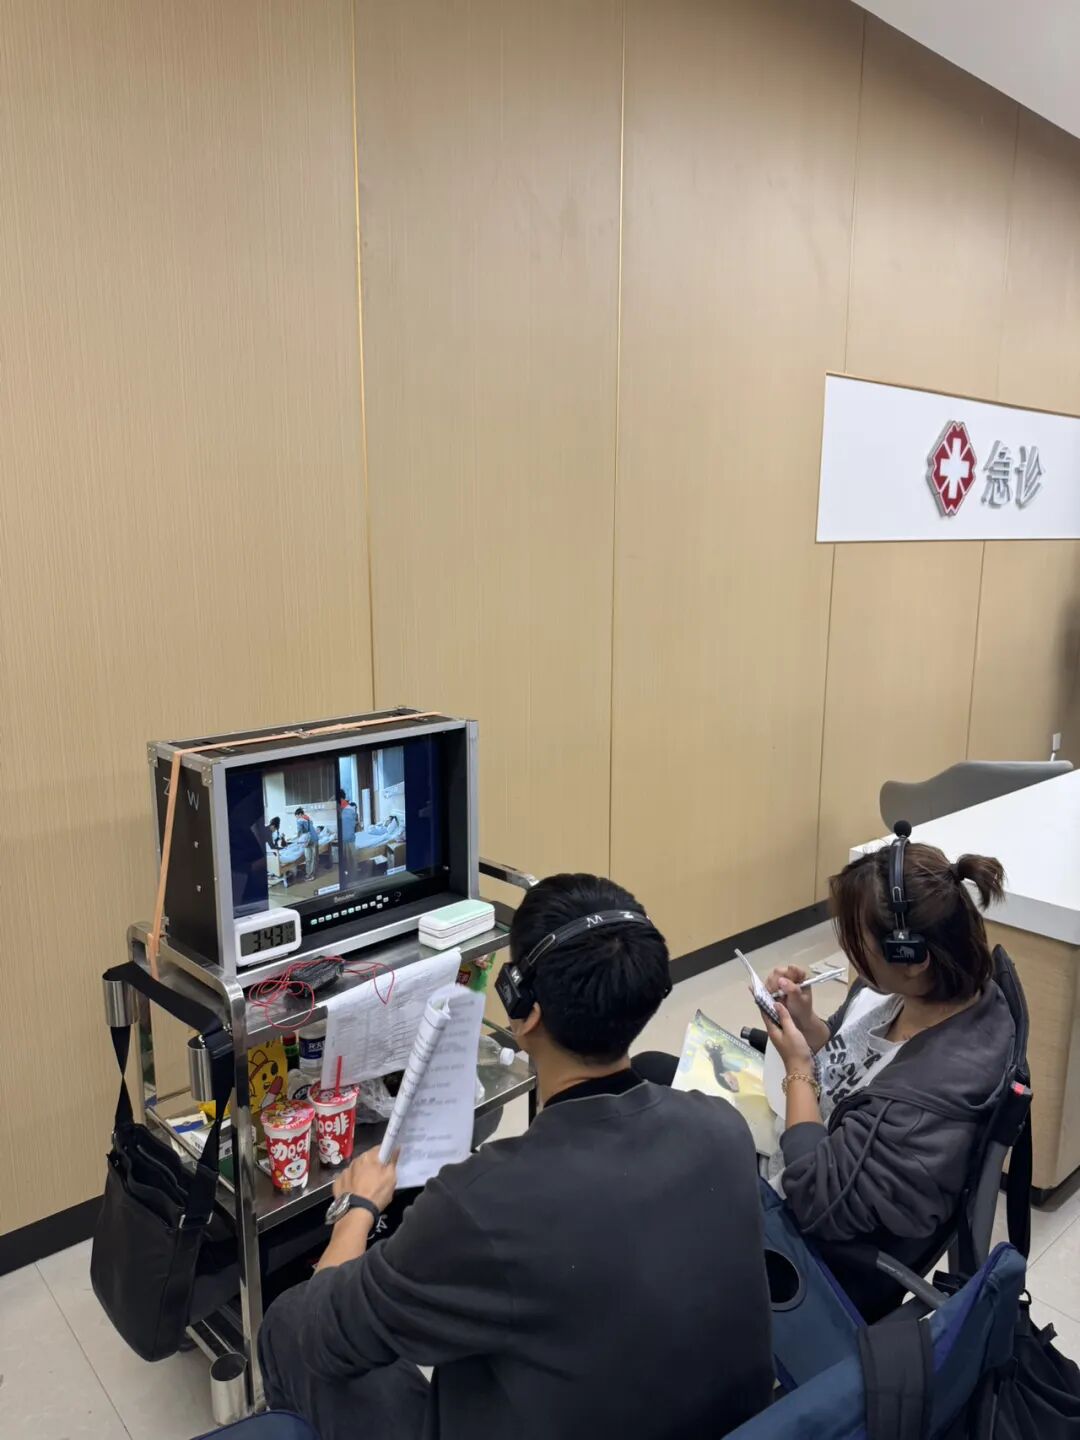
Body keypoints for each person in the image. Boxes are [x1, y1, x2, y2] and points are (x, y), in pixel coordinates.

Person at [258, 873, 774, 1440]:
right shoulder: (723, 1129)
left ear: (522, 1007)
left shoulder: (480, 1203)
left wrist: (356, 1209)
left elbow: (324, 1332)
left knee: (288, 1322)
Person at [760, 834, 1015, 1318]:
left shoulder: (922, 1106)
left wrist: (798, 1069)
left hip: (809, 1248)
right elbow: (852, 1060)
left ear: (911, 958)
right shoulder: (924, 991)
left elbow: (814, 1197)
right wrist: (809, 1025)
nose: (850, 955)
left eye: (859, 946)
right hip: (808, 1139)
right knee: (660, 1077)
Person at [293, 806, 319, 879]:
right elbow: (311, 828)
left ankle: (309, 874)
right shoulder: (308, 819)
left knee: (308, 858)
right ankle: (312, 874)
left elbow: (299, 831)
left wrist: (297, 839)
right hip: (314, 839)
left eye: (296, 816)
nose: (296, 818)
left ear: (300, 814)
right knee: (313, 858)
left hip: (307, 840)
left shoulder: (300, 820)